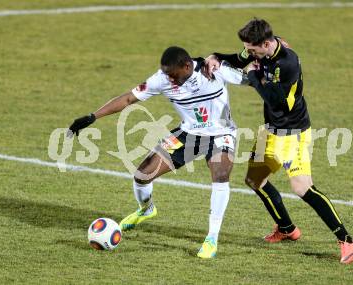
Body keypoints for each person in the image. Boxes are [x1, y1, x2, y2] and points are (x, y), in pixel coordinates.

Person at [204, 19, 353, 264]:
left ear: (266, 44)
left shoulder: (288, 63)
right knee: (254, 180)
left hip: (293, 133)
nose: (250, 53)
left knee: (302, 188)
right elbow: (237, 58)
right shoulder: (261, 48)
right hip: (271, 131)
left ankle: (346, 239)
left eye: (254, 50)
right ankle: (287, 228)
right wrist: (215, 57)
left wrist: (254, 75)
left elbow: (275, 98)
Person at [68, 46, 246, 259]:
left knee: (220, 175)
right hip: (188, 134)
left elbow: (254, 78)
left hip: (222, 134)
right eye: (166, 74)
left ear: (187, 66)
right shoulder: (161, 79)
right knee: (142, 174)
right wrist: (92, 117)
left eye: (173, 75)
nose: (169, 80)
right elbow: (127, 99)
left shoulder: (214, 69)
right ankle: (146, 209)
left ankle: (211, 238)